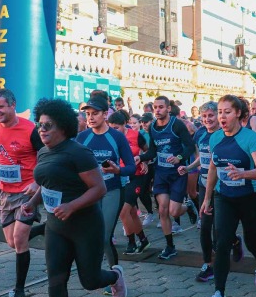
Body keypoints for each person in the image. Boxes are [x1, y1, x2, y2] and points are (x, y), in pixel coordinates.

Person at [22, 98, 127, 297]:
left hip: (85, 225)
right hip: (56, 226)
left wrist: (72, 206)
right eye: (40, 125)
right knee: (55, 276)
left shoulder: (79, 152)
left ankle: (114, 277)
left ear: (63, 127)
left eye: (48, 125)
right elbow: (46, 182)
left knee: (89, 281)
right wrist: (33, 202)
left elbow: (99, 189)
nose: (42, 130)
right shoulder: (43, 151)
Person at [201, 96, 256, 297]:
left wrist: (243, 173)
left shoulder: (250, 138)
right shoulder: (215, 138)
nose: (222, 116)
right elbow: (214, 168)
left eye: (227, 112)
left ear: (238, 114)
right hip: (224, 197)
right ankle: (219, 295)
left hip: (250, 198)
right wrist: (207, 198)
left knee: (252, 241)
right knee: (221, 243)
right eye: (220, 112)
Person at [0, 89, 44, 297]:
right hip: (5, 192)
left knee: (19, 239)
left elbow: (46, 156)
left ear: (13, 105)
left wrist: (38, 181)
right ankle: (46, 229)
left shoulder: (31, 130)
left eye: (1, 107)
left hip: (28, 193)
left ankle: (19, 291)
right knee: (12, 241)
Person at [181, 101, 239, 282]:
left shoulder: (225, 135)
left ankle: (233, 241)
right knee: (205, 226)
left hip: (221, 188)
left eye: (211, 116)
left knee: (219, 229)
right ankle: (208, 264)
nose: (207, 119)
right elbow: (203, 159)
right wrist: (189, 167)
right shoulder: (200, 134)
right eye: (204, 116)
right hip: (203, 185)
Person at [77, 97, 136, 275]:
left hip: (113, 190)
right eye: (88, 114)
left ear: (105, 114)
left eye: (95, 113)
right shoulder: (82, 137)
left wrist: (118, 171)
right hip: (90, 193)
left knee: (104, 237)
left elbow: (132, 167)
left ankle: (115, 275)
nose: (91, 118)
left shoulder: (116, 137)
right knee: (90, 236)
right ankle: (94, 272)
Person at [136, 96, 198, 259]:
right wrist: (140, 158)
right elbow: (152, 151)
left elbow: (190, 147)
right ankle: (170, 246)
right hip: (161, 173)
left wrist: (179, 157)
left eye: (161, 107)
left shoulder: (177, 125)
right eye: (155, 107)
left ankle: (188, 207)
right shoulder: (153, 128)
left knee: (174, 210)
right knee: (163, 210)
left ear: (168, 109)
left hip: (177, 173)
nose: (157, 110)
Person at [107, 111, 151, 255]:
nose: (114, 131)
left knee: (124, 211)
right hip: (120, 177)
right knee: (132, 212)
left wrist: (144, 160)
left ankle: (131, 243)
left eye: (116, 128)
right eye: (111, 127)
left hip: (136, 176)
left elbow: (148, 151)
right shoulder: (109, 138)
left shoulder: (135, 135)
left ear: (124, 125)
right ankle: (143, 240)